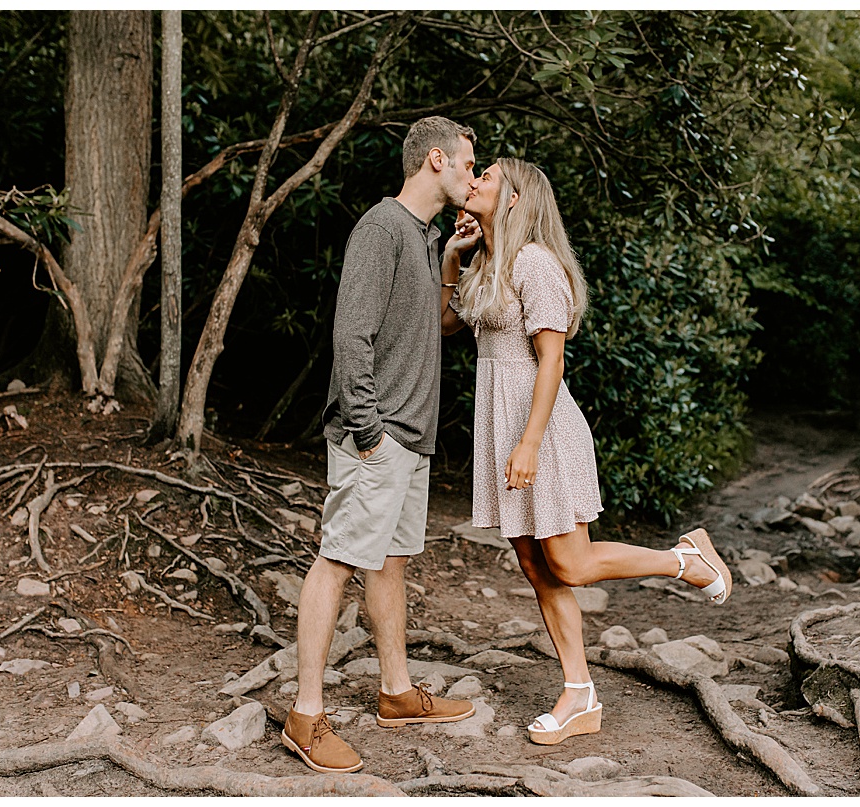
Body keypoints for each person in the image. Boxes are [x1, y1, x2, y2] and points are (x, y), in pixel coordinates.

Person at [443, 157, 733, 746]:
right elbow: (446, 324)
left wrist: (527, 443)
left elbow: (552, 359)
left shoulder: (535, 264)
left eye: (488, 177)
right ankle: (580, 694)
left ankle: (686, 560)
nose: (473, 181)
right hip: (502, 425)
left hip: (540, 428)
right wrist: (452, 259)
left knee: (569, 564)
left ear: (518, 199)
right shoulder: (487, 263)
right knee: (533, 564)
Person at [282, 117, 480, 774]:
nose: (471, 178)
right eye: (466, 165)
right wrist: (368, 429)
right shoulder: (381, 228)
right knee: (338, 558)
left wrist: (451, 259)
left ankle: (396, 693)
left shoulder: (423, 240)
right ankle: (305, 716)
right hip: (380, 433)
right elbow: (352, 335)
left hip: (410, 438)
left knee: (388, 562)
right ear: (434, 160)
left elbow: (442, 327)